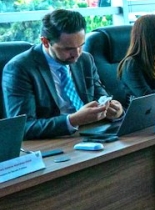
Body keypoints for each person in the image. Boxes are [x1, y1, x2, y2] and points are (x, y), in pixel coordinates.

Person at [3, 9, 124, 140]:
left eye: (81, 46)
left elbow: (100, 97)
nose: (76, 54)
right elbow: (22, 127)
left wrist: (115, 111)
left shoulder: (85, 59)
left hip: (89, 133)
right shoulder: (20, 68)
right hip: (52, 141)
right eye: (68, 49)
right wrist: (72, 120)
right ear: (45, 42)